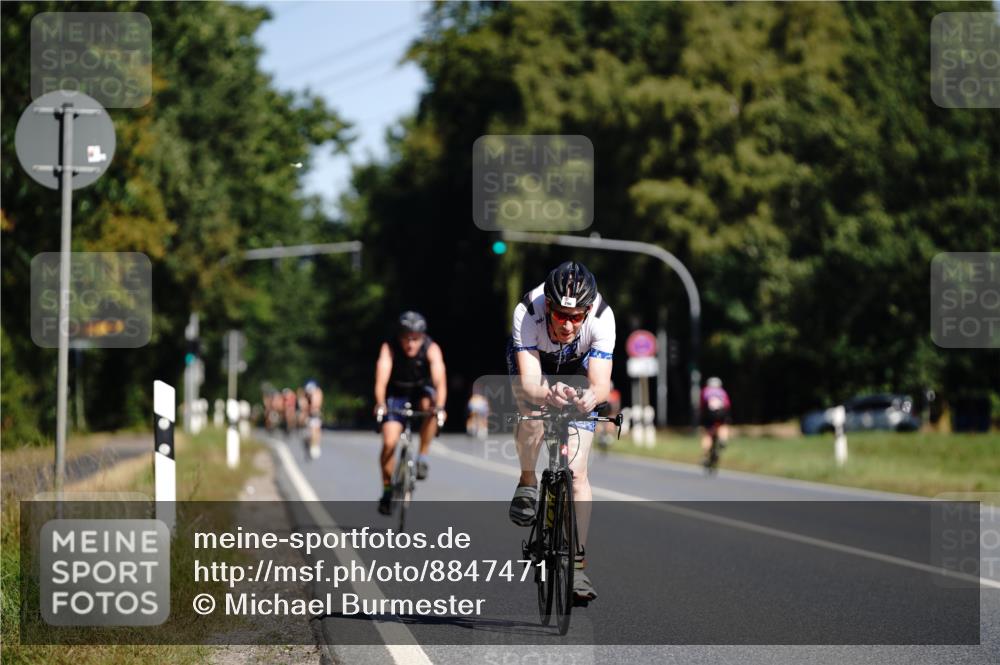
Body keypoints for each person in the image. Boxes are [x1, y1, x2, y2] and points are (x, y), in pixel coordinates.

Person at [506, 261, 615, 603]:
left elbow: (600, 385)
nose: (568, 324)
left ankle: (577, 565)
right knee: (530, 412)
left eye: (576, 317)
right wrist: (545, 394)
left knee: (577, 474)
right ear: (548, 307)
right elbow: (529, 383)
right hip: (537, 367)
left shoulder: (602, 317)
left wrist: (588, 398)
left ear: (587, 312)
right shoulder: (527, 311)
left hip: (577, 371)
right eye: (560, 316)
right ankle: (527, 481)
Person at [374, 311, 447, 515]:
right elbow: (381, 379)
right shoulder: (389, 348)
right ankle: (387, 490)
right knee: (389, 442)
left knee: (432, 408)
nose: (411, 343)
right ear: (399, 336)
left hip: (420, 392)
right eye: (406, 337)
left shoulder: (431, 348)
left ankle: (422, 457)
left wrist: (440, 406)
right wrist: (380, 403)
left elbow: (440, 380)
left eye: (415, 339)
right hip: (396, 393)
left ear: (422, 337)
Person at [700, 376, 731, 465]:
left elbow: (702, 405)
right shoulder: (722, 392)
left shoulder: (705, 391)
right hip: (722, 412)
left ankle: (705, 455)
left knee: (708, 434)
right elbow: (727, 405)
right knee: (723, 426)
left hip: (709, 414)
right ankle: (723, 440)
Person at [304, 380, 324, 460]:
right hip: (310, 415)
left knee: (316, 430)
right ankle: (311, 445)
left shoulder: (318, 393)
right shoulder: (306, 395)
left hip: (315, 414)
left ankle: (315, 446)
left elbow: (317, 404)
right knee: (311, 432)